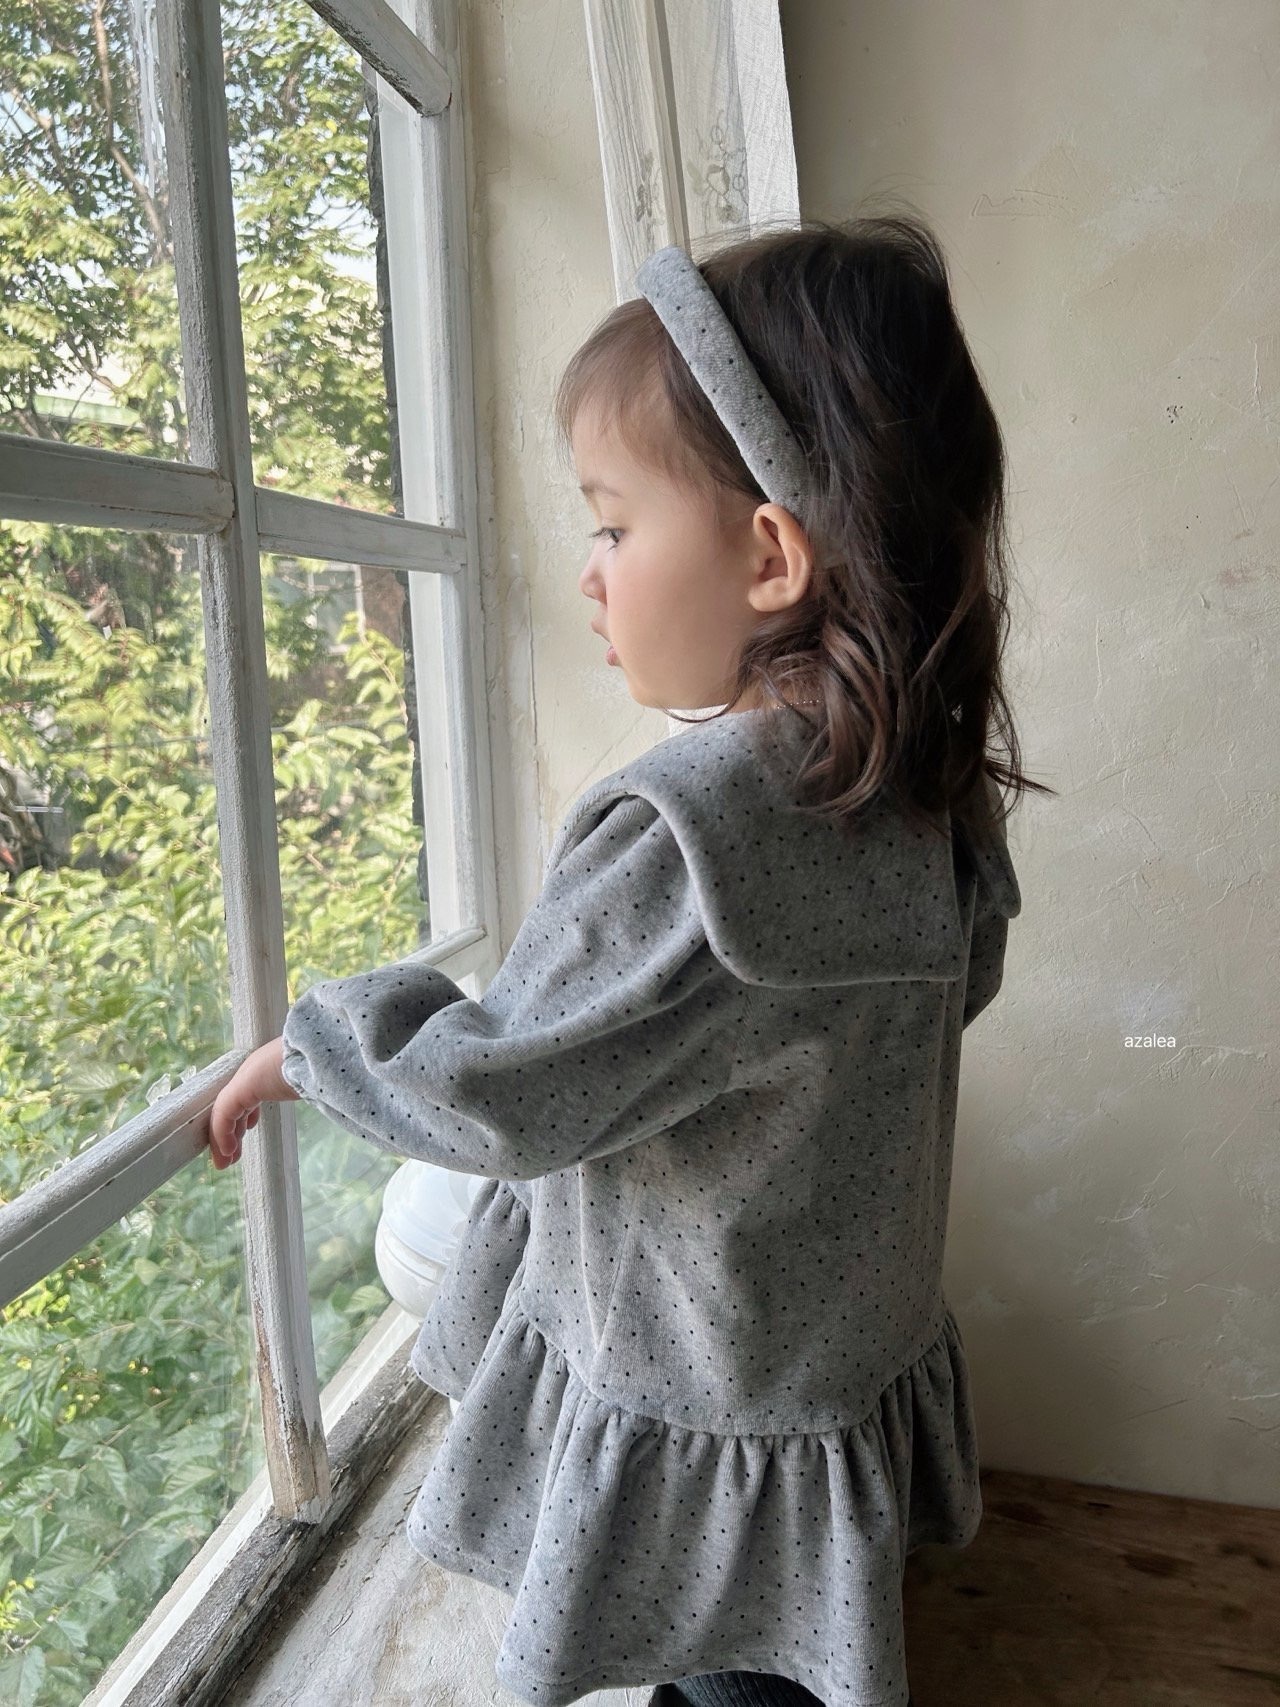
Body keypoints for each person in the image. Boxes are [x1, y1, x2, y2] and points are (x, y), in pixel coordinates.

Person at [211, 210, 1049, 1707]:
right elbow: (957, 987)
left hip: (703, 1378)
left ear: (771, 555)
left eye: (611, 525)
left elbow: (501, 1092)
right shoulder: (923, 783)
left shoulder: (692, 833)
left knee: (726, 1671)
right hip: (822, 1356)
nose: (591, 575)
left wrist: (320, 1046)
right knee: (770, 1661)